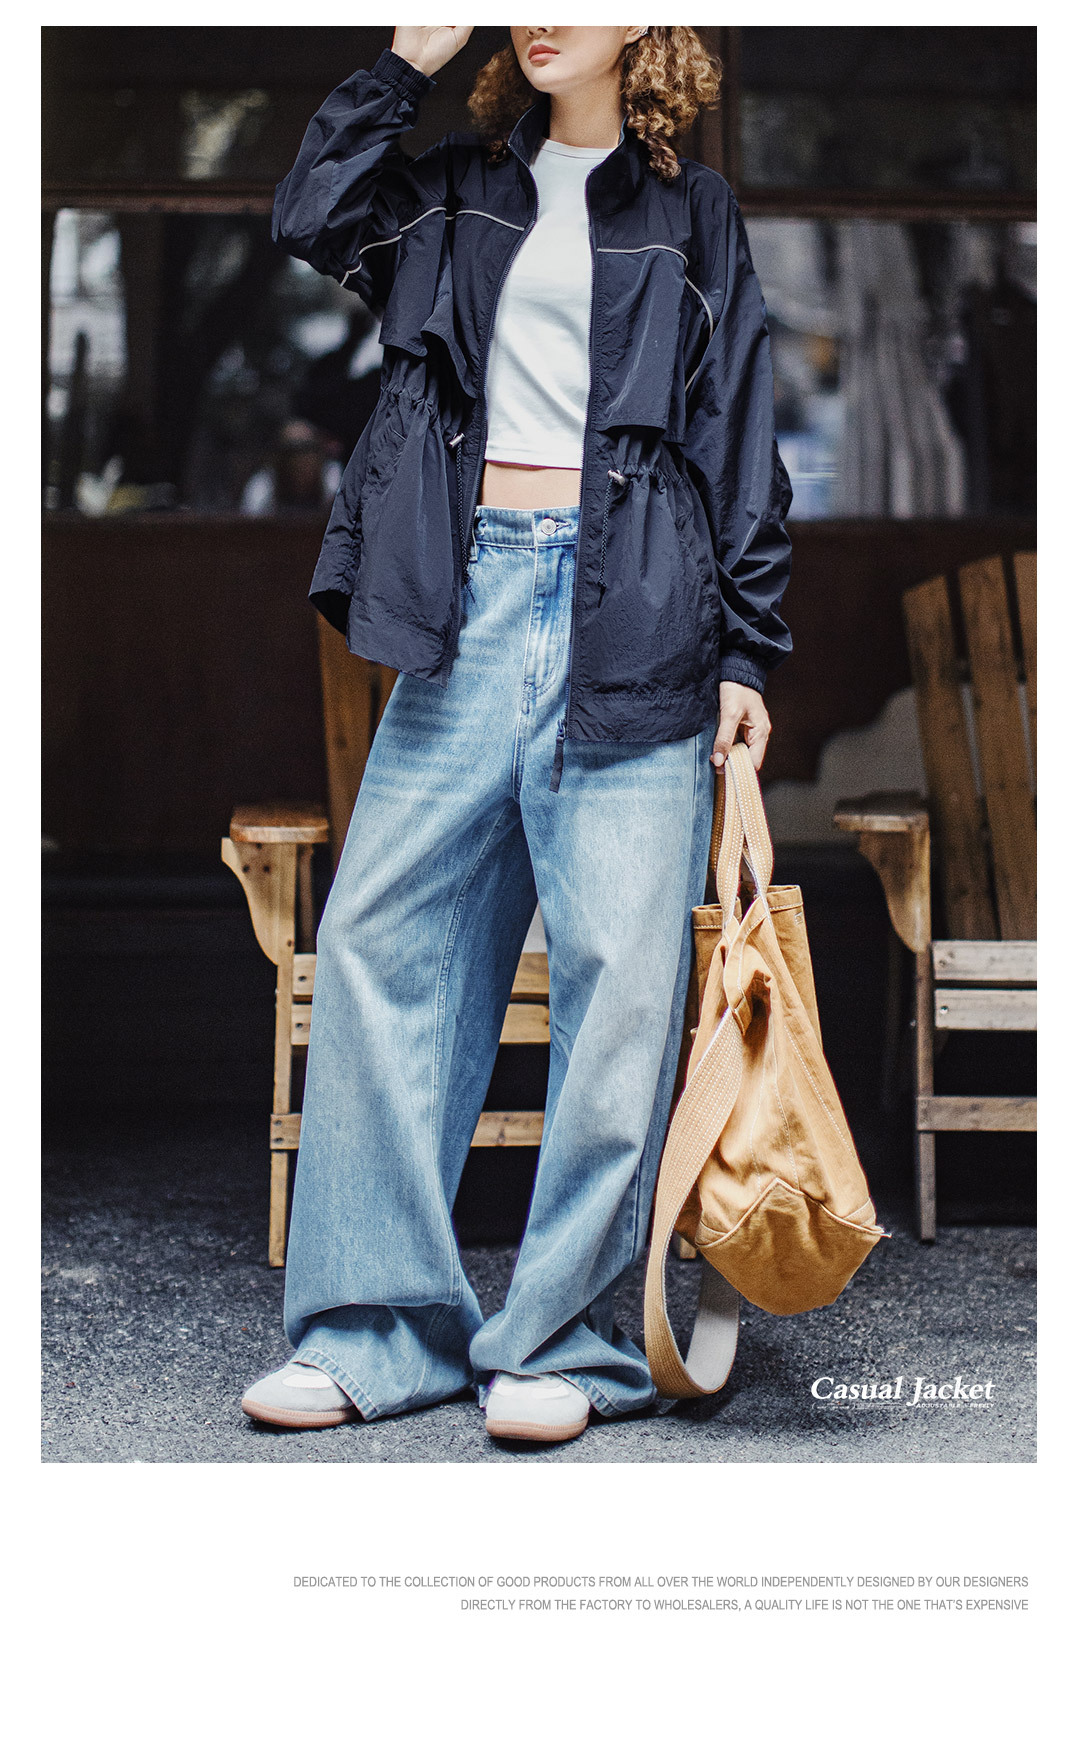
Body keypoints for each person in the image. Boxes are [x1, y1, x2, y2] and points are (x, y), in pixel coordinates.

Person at [242, 25, 792, 1445]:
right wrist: (402, 59)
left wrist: (748, 651)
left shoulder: (695, 213)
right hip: (469, 600)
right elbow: (309, 212)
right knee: (382, 941)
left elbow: (739, 433)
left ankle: (566, 1339)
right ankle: (375, 1332)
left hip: (638, 609)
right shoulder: (451, 185)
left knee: (621, 980)